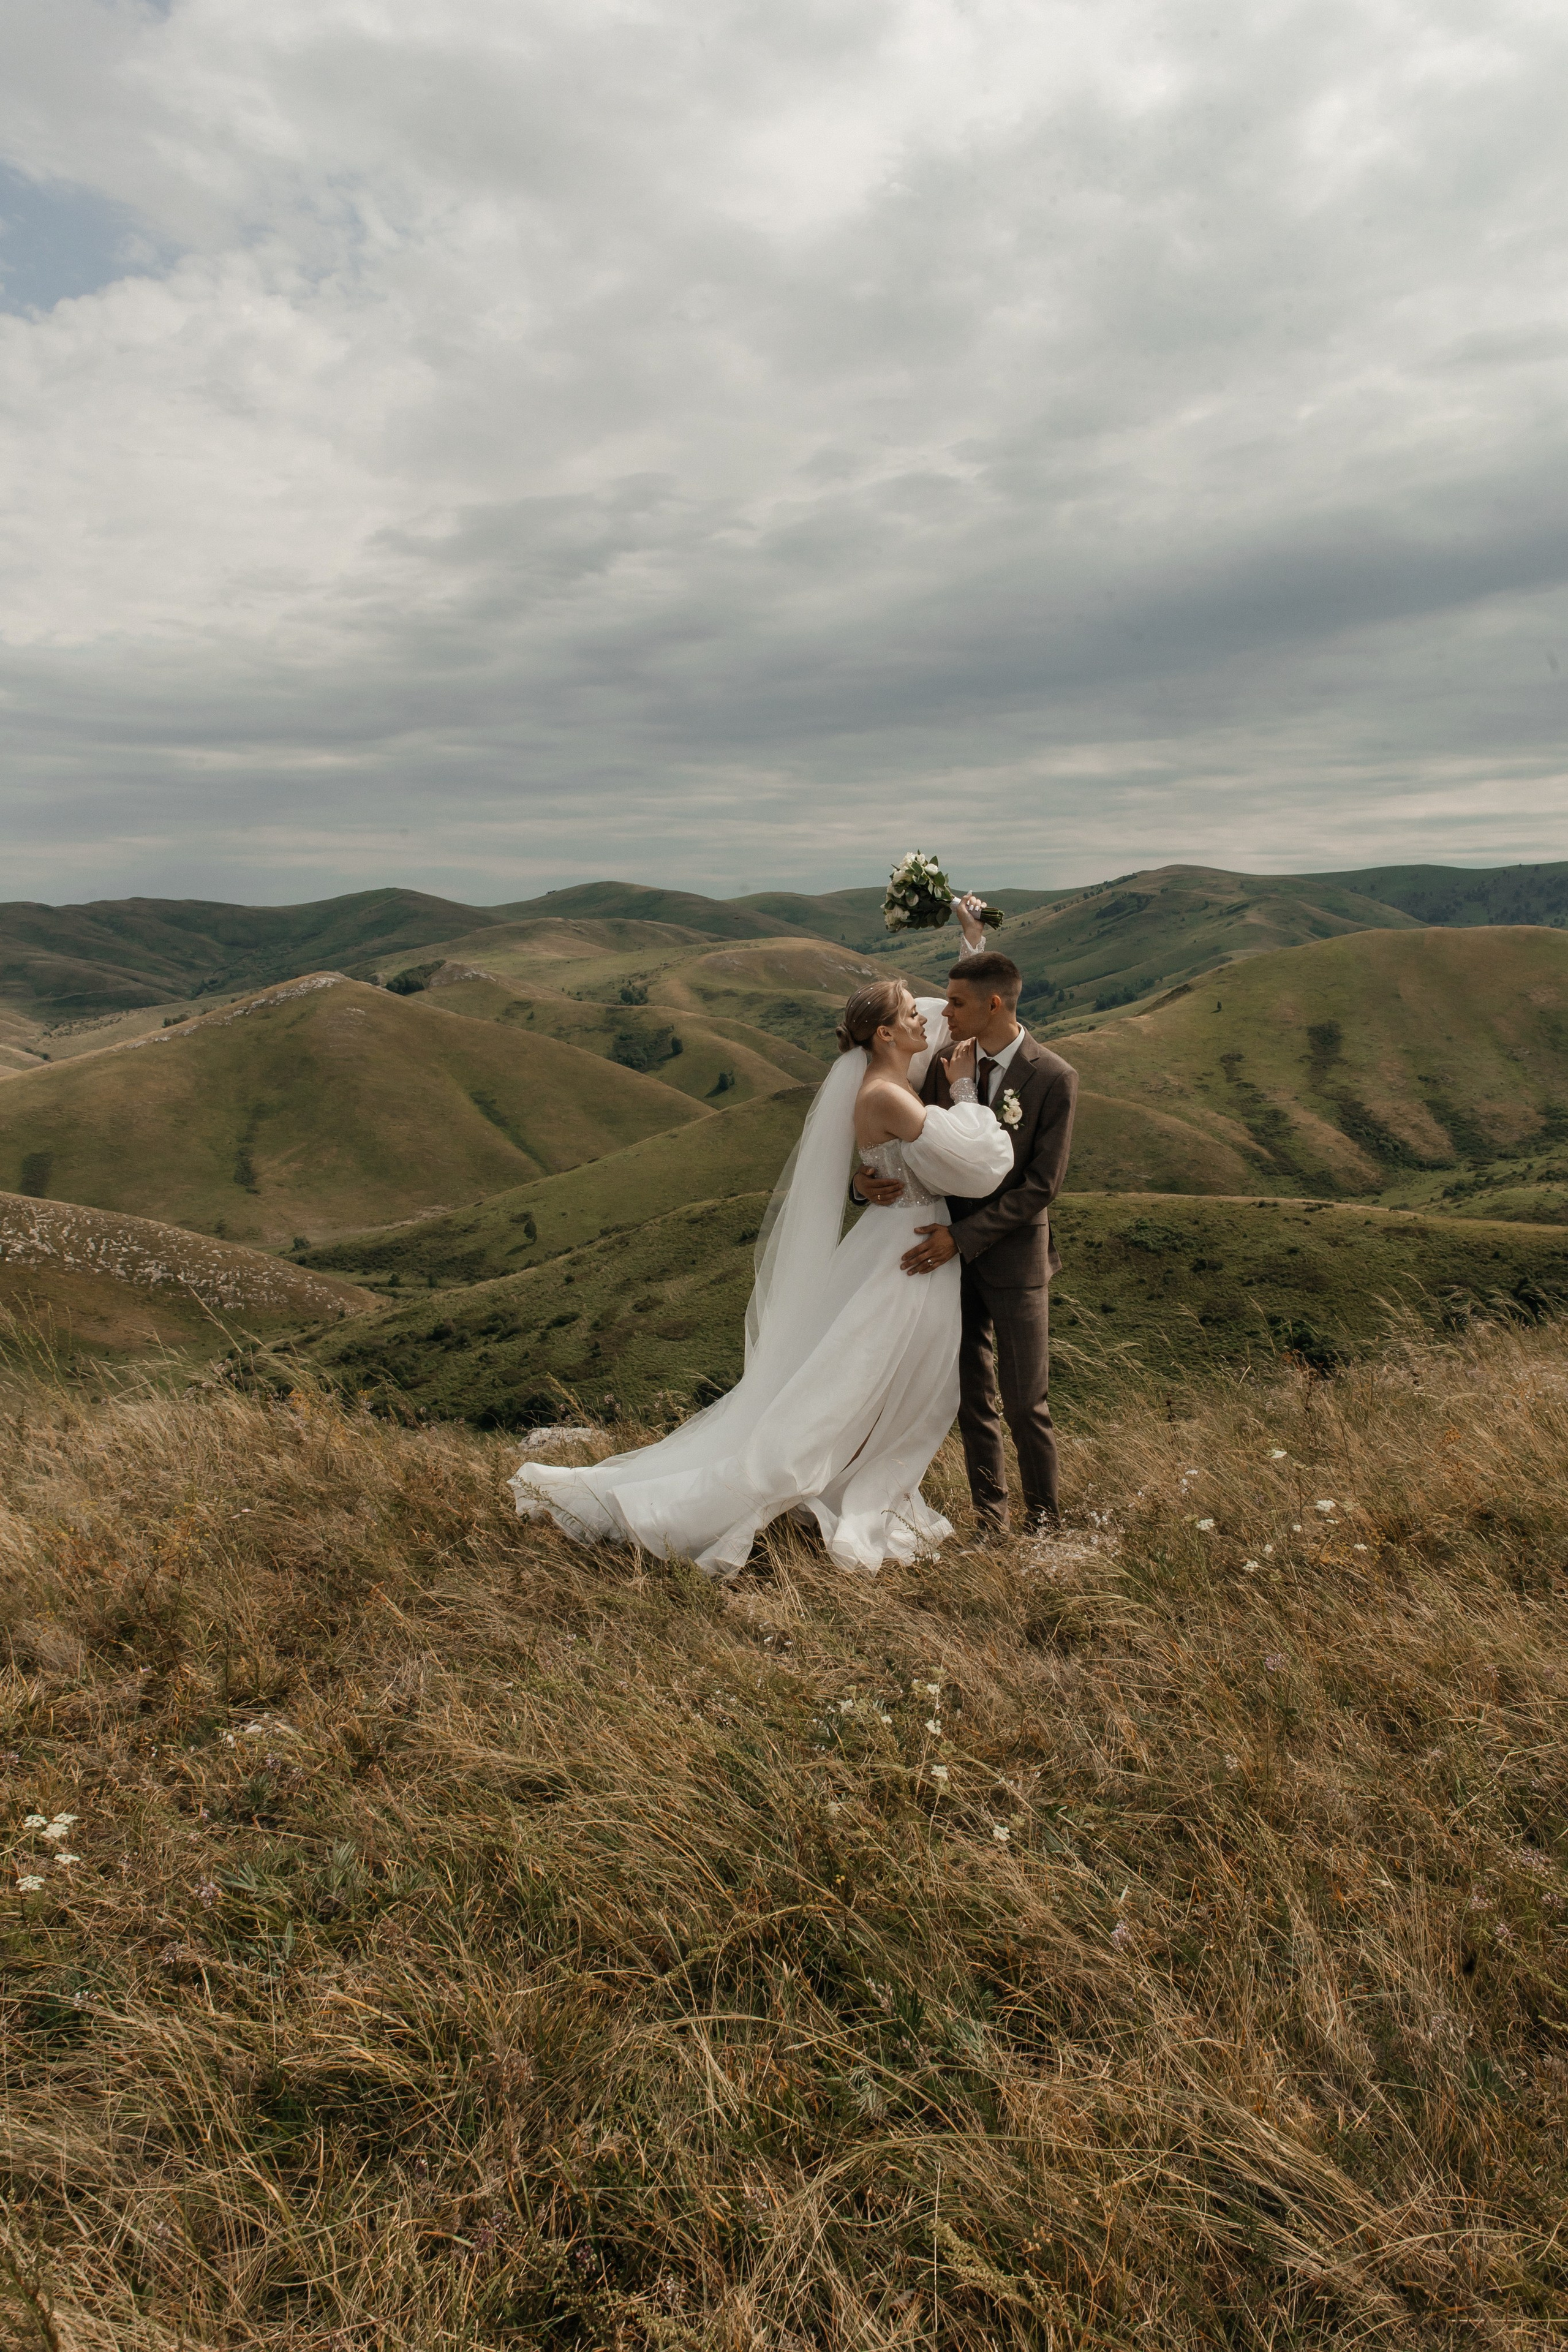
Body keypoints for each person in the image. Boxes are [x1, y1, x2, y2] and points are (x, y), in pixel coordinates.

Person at [509, 974, 1012, 1575]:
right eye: (909, 1015)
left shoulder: (887, 1079)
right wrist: (961, 1089)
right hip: (901, 1253)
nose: (925, 1021)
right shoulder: (888, 1093)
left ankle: (841, 1481)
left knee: (871, 1383)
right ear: (884, 1033)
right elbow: (980, 1161)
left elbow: (955, 1010)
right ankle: (697, 1505)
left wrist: (972, 948)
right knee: (847, 1387)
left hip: (900, 1242)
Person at [853, 900, 1077, 1531]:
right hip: (937, 1255)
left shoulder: (1053, 1077)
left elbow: (1042, 1185)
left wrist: (965, 1237)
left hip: (1008, 1258)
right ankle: (992, 1522)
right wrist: (863, 1183)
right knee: (970, 1400)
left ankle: (1046, 1525)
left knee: (1026, 1401)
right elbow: (898, 1140)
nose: (941, 1012)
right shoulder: (941, 1065)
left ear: (994, 1007)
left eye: (953, 1003)